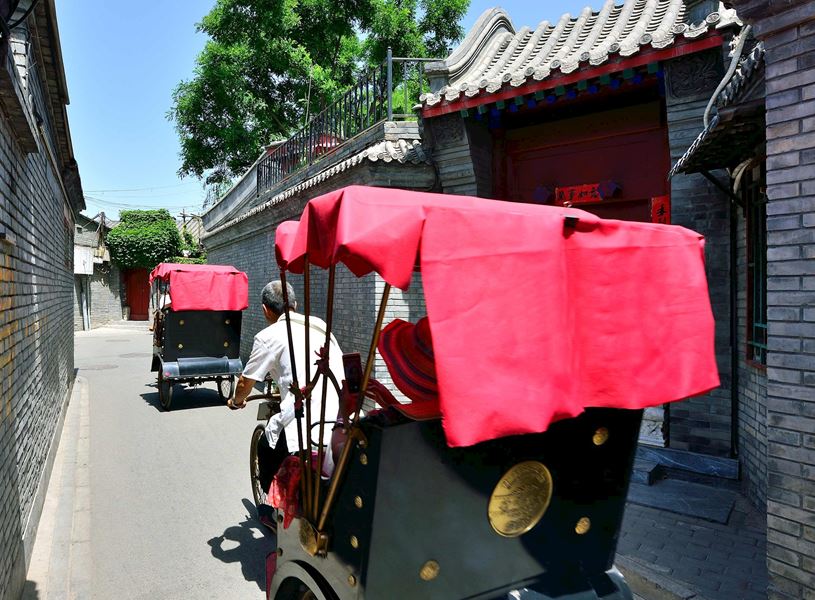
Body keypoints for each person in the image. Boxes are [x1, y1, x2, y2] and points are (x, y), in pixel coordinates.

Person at [228, 281, 345, 522]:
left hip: (306, 417)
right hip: (341, 413)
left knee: (266, 445)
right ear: (295, 304)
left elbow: (245, 383)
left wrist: (237, 401)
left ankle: (273, 511)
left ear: (265, 310)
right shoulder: (320, 325)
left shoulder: (268, 336)